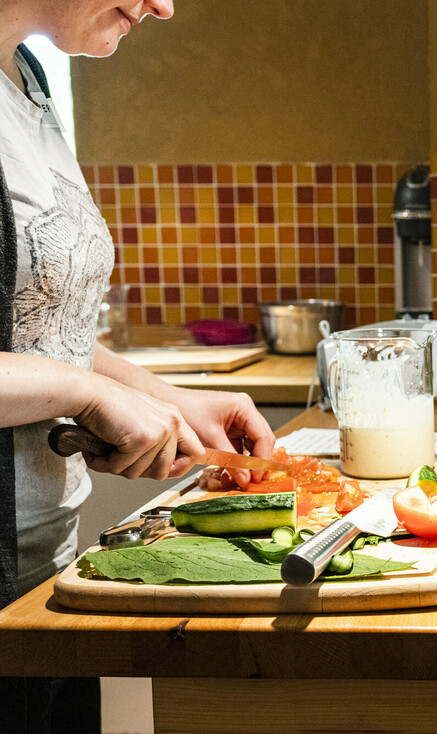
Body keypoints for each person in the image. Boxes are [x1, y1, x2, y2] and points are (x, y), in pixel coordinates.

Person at [0, 2, 276, 731]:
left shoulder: (24, 80)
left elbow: (34, 330)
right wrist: (82, 392)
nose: (163, 5)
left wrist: (169, 398)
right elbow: (57, 369)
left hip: (39, 565)